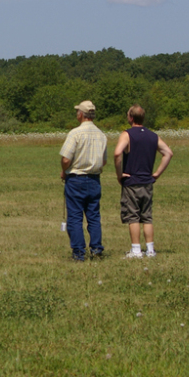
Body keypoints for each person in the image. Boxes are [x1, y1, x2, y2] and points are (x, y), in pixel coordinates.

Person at [113, 104, 173, 258]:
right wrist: (157, 173)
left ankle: (136, 250)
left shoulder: (127, 134)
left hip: (132, 180)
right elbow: (168, 153)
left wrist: (120, 174)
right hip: (147, 181)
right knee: (147, 217)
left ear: (130, 118)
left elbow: (117, 153)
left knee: (133, 216)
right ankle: (150, 249)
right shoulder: (153, 136)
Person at [60, 100, 109, 261]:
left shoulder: (75, 133)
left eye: (77, 112)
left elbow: (66, 159)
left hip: (76, 179)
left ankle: (78, 252)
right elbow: (104, 161)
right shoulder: (101, 135)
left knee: (75, 216)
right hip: (94, 179)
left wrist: (64, 171)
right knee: (94, 216)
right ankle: (96, 249)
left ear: (81, 114)